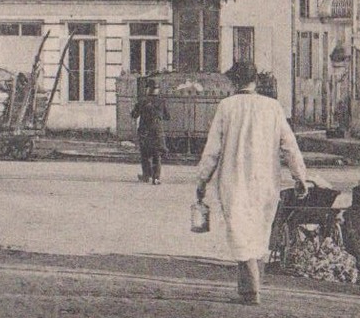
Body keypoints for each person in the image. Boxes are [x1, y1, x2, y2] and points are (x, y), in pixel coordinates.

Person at [194, 69, 309, 305]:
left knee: (239, 231)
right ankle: (251, 287)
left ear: (233, 82)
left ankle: (250, 290)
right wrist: (300, 177)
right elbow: (290, 146)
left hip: (233, 179)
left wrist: (202, 181)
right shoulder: (273, 107)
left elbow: (212, 150)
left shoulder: (226, 107)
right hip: (266, 180)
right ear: (255, 82)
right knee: (260, 230)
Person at [131, 79, 170, 184]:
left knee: (145, 155)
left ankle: (146, 176)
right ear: (157, 90)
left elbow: (134, 115)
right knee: (157, 155)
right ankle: (156, 178)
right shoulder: (162, 102)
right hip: (157, 132)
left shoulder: (142, 101)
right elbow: (167, 117)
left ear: (147, 89)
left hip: (145, 132)